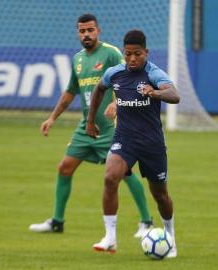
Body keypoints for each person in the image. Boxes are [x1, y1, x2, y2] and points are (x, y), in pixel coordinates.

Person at [29, 14, 153, 238]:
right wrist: (52, 118)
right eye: (82, 31)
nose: (86, 34)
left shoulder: (111, 53)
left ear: (98, 31)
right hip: (87, 127)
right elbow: (70, 92)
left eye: (90, 30)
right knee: (64, 167)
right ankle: (57, 221)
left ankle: (146, 221)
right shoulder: (78, 59)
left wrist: (117, 103)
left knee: (124, 172)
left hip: (111, 128)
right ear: (78, 33)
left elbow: (129, 79)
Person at [86, 29, 180, 258]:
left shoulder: (154, 73)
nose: (132, 59)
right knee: (110, 177)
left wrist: (155, 93)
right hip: (124, 139)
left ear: (146, 52)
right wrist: (91, 121)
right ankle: (110, 237)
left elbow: (175, 95)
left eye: (137, 54)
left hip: (151, 144)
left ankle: (170, 236)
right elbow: (99, 89)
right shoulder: (115, 73)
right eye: (128, 54)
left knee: (160, 195)